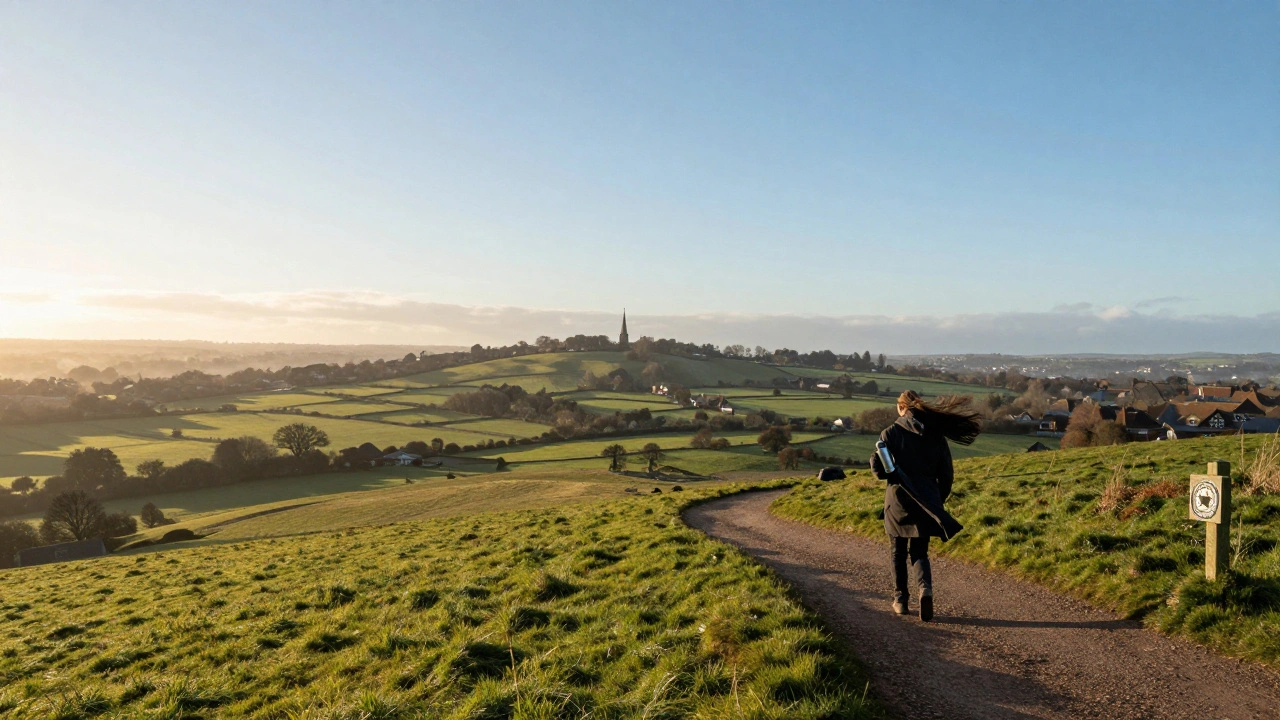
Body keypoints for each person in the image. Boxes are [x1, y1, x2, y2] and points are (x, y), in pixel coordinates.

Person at [870, 389, 981, 621]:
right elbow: (947, 474)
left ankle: (900, 600)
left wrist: (874, 460)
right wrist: (936, 500)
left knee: (898, 553)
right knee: (920, 552)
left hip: (898, 502)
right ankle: (925, 589)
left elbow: (880, 472)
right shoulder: (935, 435)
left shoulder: (890, 433)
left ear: (902, 407)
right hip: (926, 500)